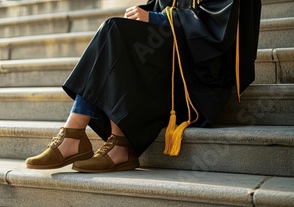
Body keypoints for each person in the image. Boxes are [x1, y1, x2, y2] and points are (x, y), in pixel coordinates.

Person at [25, 0, 261, 173]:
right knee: (115, 30)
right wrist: (146, 17)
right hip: (172, 60)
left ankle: (90, 140)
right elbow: (161, 8)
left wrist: (158, 19)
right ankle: (98, 139)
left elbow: (218, 27)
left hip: (202, 76)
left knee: (117, 33)